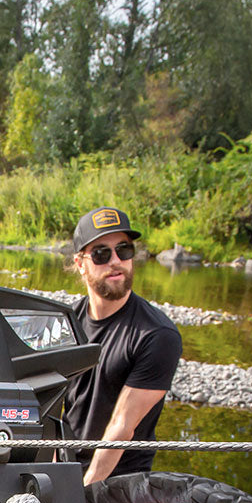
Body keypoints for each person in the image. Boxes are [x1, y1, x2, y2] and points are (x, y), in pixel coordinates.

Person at [63, 207, 183, 485]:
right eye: (102, 254)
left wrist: (85, 491)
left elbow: (122, 426)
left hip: (119, 481)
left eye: (124, 251)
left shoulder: (156, 334)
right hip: (66, 467)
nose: (115, 261)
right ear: (81, 263)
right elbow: (57, 404)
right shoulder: (68, 321)